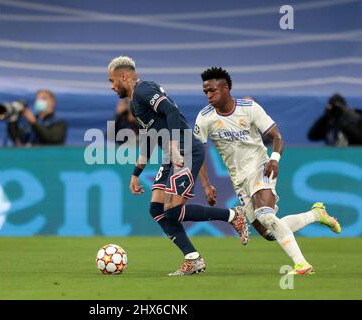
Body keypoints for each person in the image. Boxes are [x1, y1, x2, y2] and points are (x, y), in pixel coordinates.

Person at [107, 56, 249, 276]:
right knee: (157, 209)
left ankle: (232, 216)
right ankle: (193, 258)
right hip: (170, 153)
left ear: (124, 76)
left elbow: (171, 111)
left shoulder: (144, 89)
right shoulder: (135, 103)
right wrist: (137, 172)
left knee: (172, 210)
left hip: (185, 150)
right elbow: (149, 138)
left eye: (111, 80)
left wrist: (173, 147)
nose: (111, 86)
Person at [194, 67, 341, 275]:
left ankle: (301, 264)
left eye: (212, 91)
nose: (208, 96)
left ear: (225, 88)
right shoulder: (204, 117)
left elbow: (277, 137)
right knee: (270, 231)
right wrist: (206, 184)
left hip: (260, 167)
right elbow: (198, 152)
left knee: (265, 215)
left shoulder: (249, 108)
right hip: (239, 178)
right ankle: (316, 214)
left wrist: (274, 159)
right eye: (205, 92)